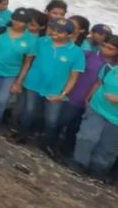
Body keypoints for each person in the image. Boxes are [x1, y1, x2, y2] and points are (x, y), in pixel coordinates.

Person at [17, 18, 86, 153]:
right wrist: (19, 81)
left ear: (69, 35)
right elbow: (28, 62)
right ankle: (21, 135)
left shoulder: (76, 52)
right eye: (53, 29)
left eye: (60, 32)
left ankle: (46, 144)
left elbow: (73, 77)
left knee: (52, 120)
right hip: (33, 83)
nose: (55, 33)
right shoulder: (41, 42)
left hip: (55, 90)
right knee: (28, 111)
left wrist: (63, 94)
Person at [71, 35, 118, 179]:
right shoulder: (109, 68)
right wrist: (89, 96)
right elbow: (99, 83)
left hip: (117, 118)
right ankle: (79, 164)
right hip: (97, 107)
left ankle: (97, 171)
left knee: (107, 146)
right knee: (86, 136)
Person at [0, 8, 36, 126]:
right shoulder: (1, 30)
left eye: (21, 21)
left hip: (11, 73)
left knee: (1, 99)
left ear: (27, 23)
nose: (17, 23)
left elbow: (27, 62)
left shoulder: (31, 40)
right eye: (15, 19)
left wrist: (19, 82)